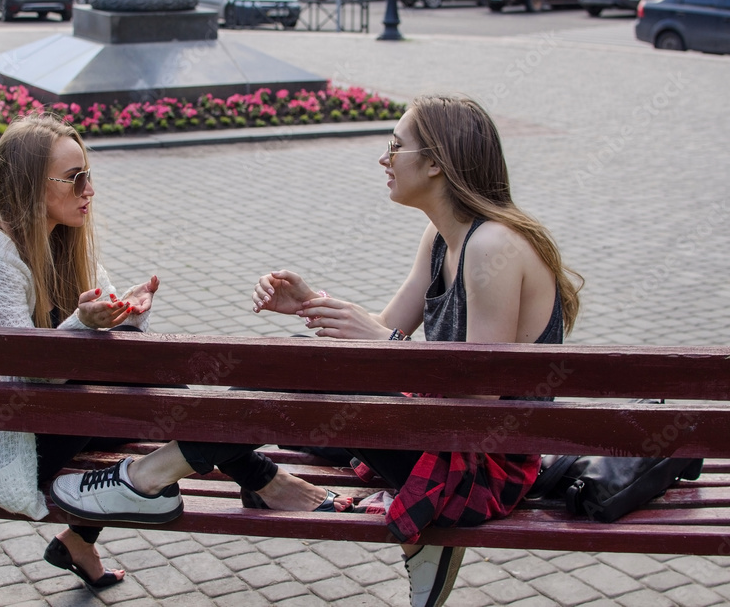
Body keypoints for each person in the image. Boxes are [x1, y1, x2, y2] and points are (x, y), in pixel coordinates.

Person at [51, 95, 583, 607]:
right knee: (288, 374)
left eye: (396, 146)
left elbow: (479, 402)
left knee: (295, 371)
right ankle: (156, 489)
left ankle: (140, 481)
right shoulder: (442, 238)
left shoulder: (494, 246)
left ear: (438, 163)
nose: (384, 158)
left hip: (478, 466)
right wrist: (313, 304)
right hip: (438, 434)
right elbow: (384, 338)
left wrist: (377, 343)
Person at [0, 114, 163, 590]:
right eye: (73, 178)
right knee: (172, 415)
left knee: (158, 389)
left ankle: (79, 540)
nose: (89, 190)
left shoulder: (64, 242)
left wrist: (128, 312)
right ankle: (261, 479)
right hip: (12, 444)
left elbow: (102, 332)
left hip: (57, 417)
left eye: (89, 174)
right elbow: (34, 375)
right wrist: (86, 323)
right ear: (27, 186)